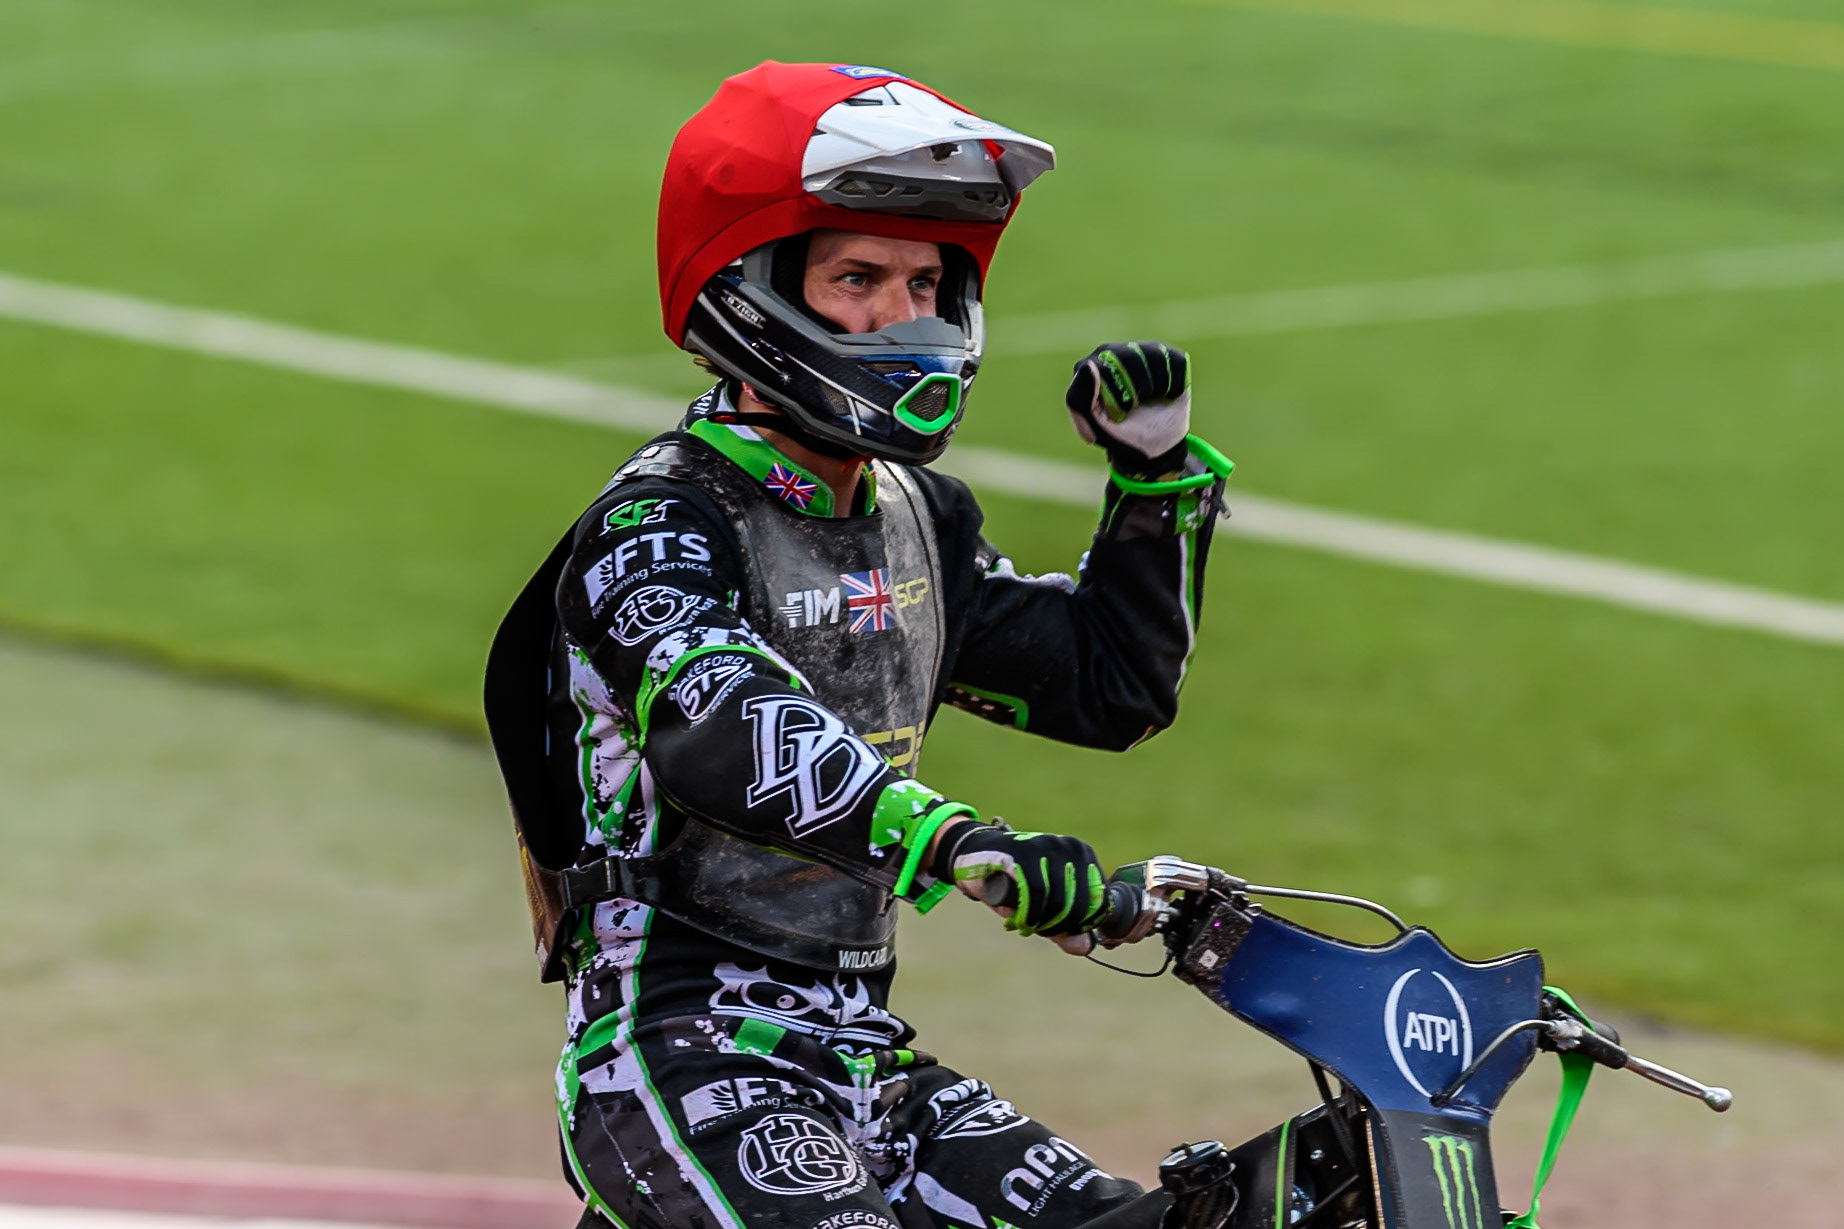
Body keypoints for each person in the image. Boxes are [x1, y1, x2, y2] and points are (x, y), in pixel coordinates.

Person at [483, 61, 1233, 1229]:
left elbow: (1107, 686)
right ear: (746, 292)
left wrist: (1154, 480)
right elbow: (721, 725)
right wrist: (952, 842)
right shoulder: (658, 522)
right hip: (678, 1049)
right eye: (857, 280)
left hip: (863, 1054)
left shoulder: (917, 517)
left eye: (926, 282)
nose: (905, 317)